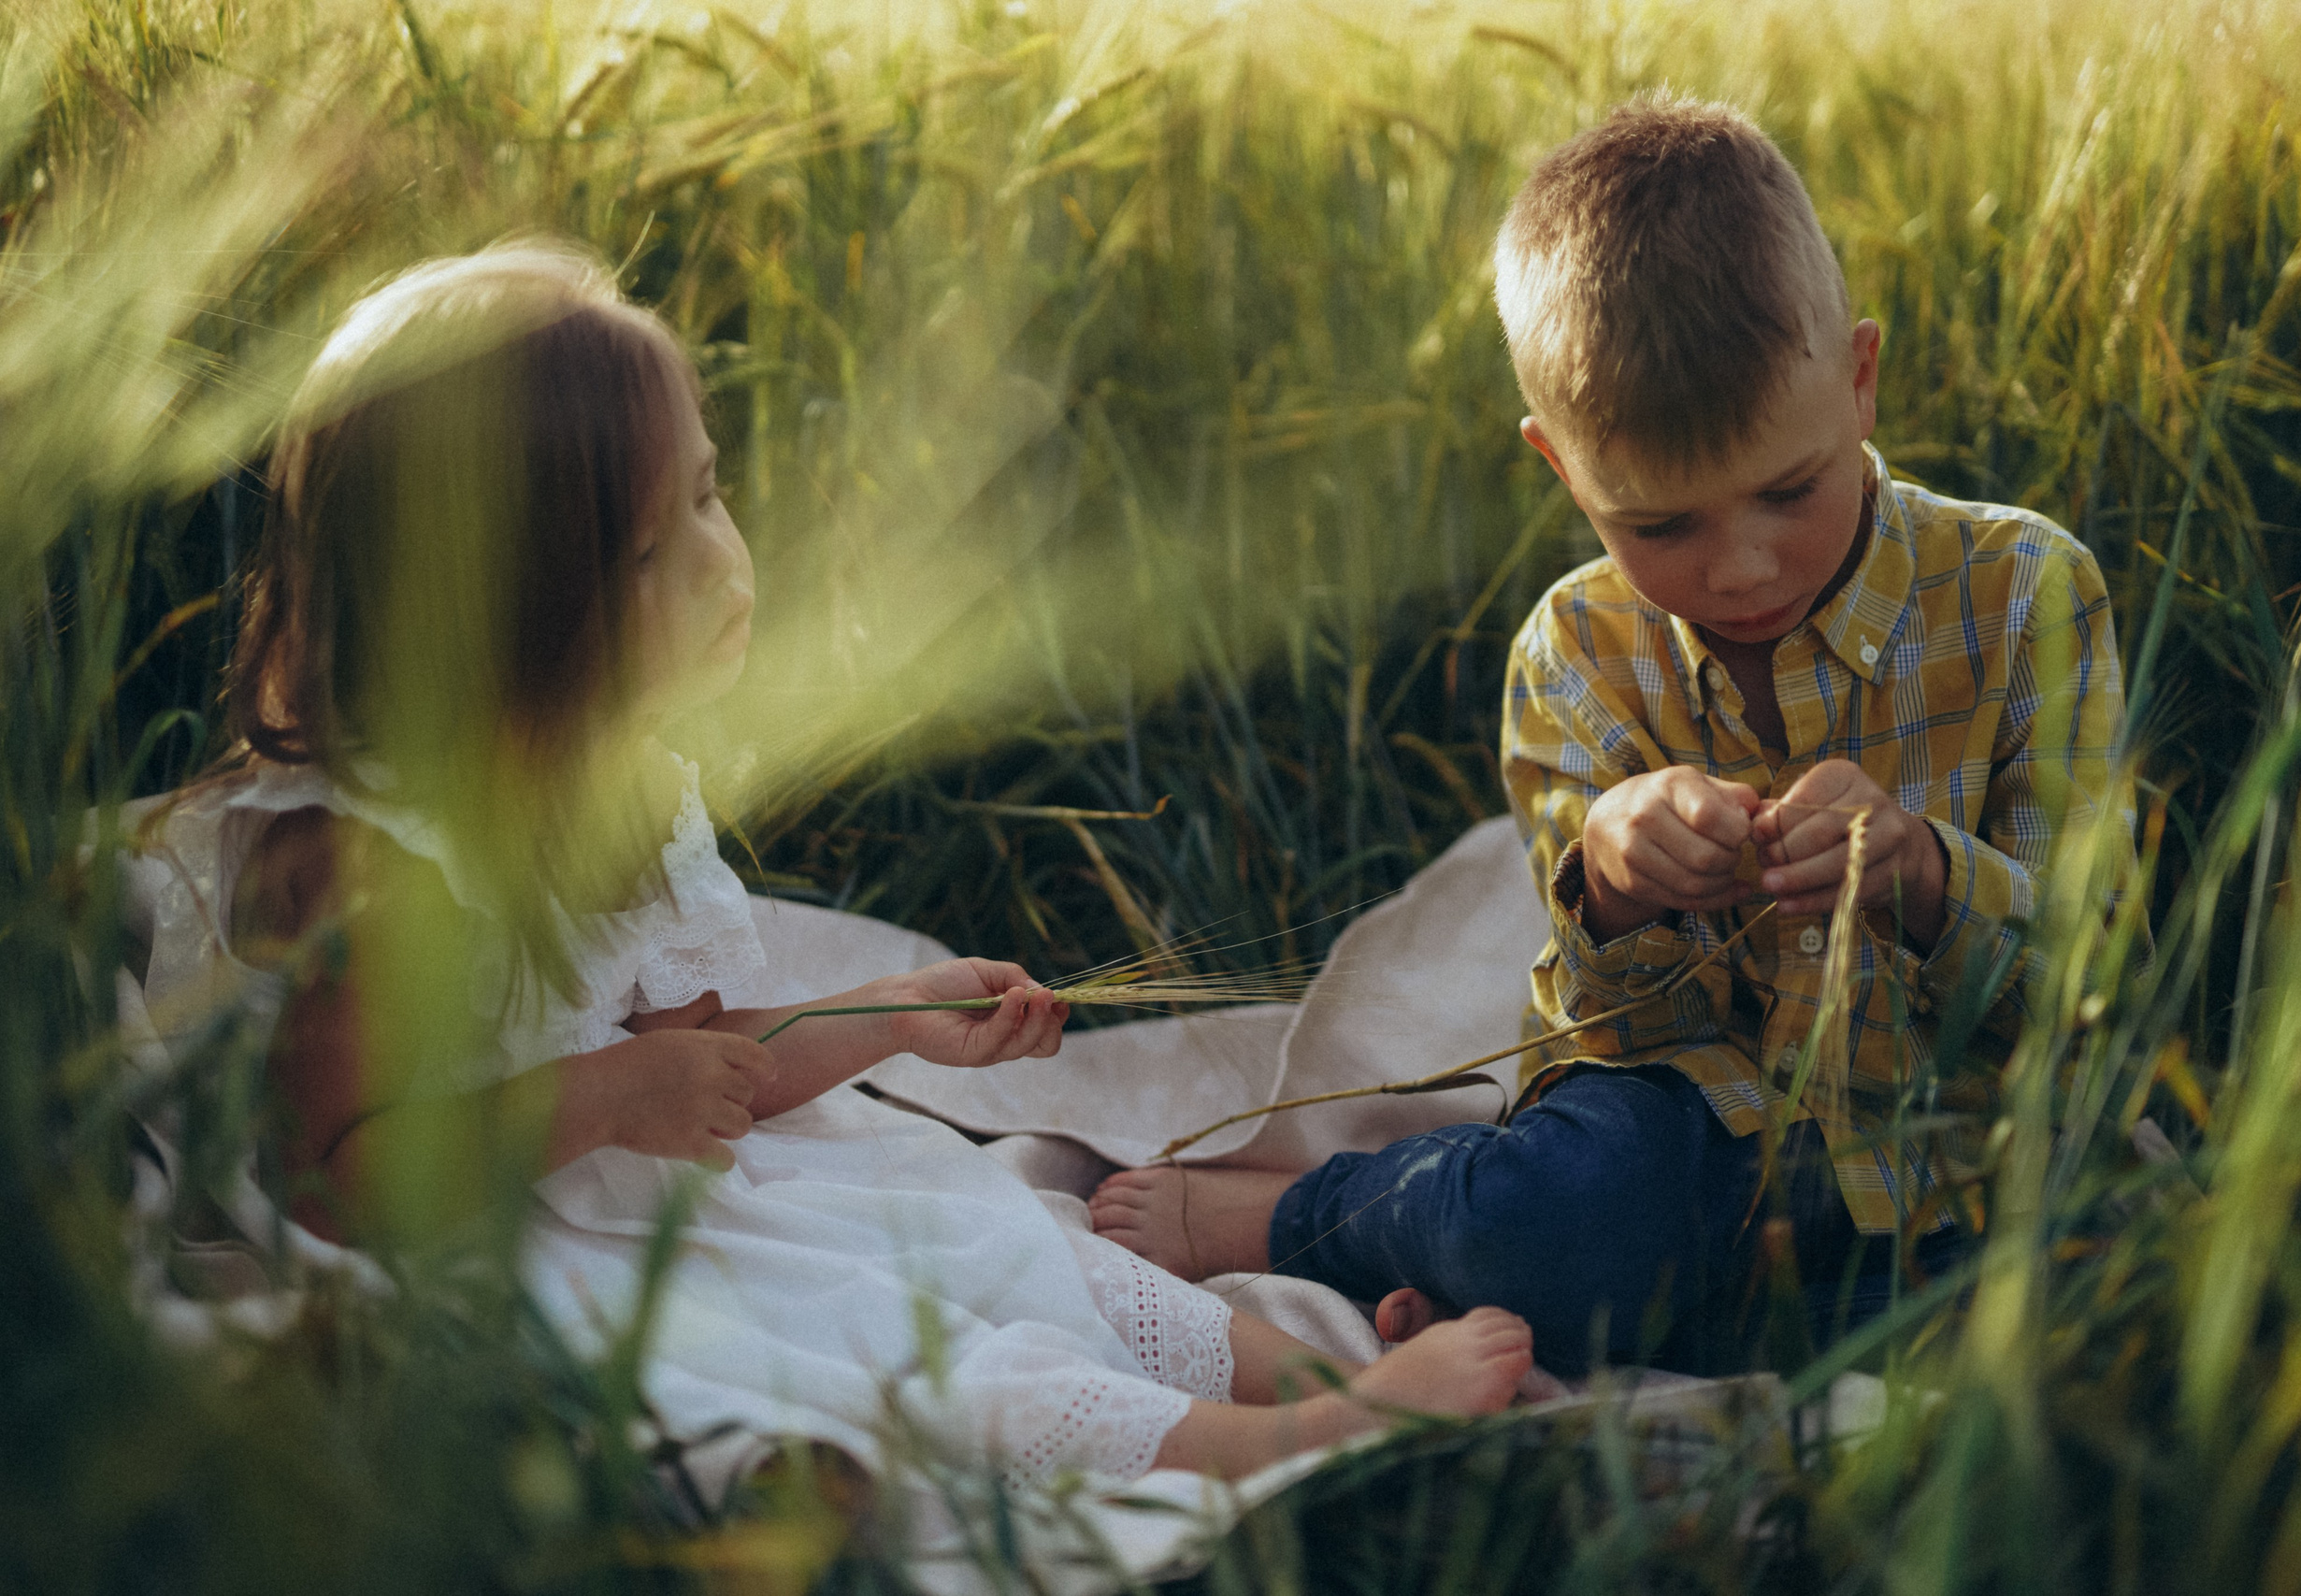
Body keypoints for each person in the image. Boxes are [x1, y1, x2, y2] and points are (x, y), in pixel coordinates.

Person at [123, 240, 1532, 1492]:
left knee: (994, 1235)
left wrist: (890, 1018)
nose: (725, 566)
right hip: (500, 1263)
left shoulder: (614, 798)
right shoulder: (382, 867)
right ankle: (1275, 1448)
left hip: (627, 1189)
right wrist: (610, 1095)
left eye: (711, 497)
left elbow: (706, 1068)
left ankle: (1312, 1377)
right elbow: (336, 1182)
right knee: (878, 1347)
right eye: (651, 550)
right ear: (509, 623)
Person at [1089, 95, 2130, 1376]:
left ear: (1858, 381)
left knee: (2099, 1272)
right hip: (1687, 1134)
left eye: (1788, 492)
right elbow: (1607, 1040)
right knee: (1577, 1209)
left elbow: (2094, 972)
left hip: (1951, 1136)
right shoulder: (1576, 654)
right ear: (1564, 472)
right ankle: (1331, 1218)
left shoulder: (2028, 591)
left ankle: (1505, 1281)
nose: (1742, 567)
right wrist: (1617, 881)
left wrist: (1919, 868)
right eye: (1660, 526)